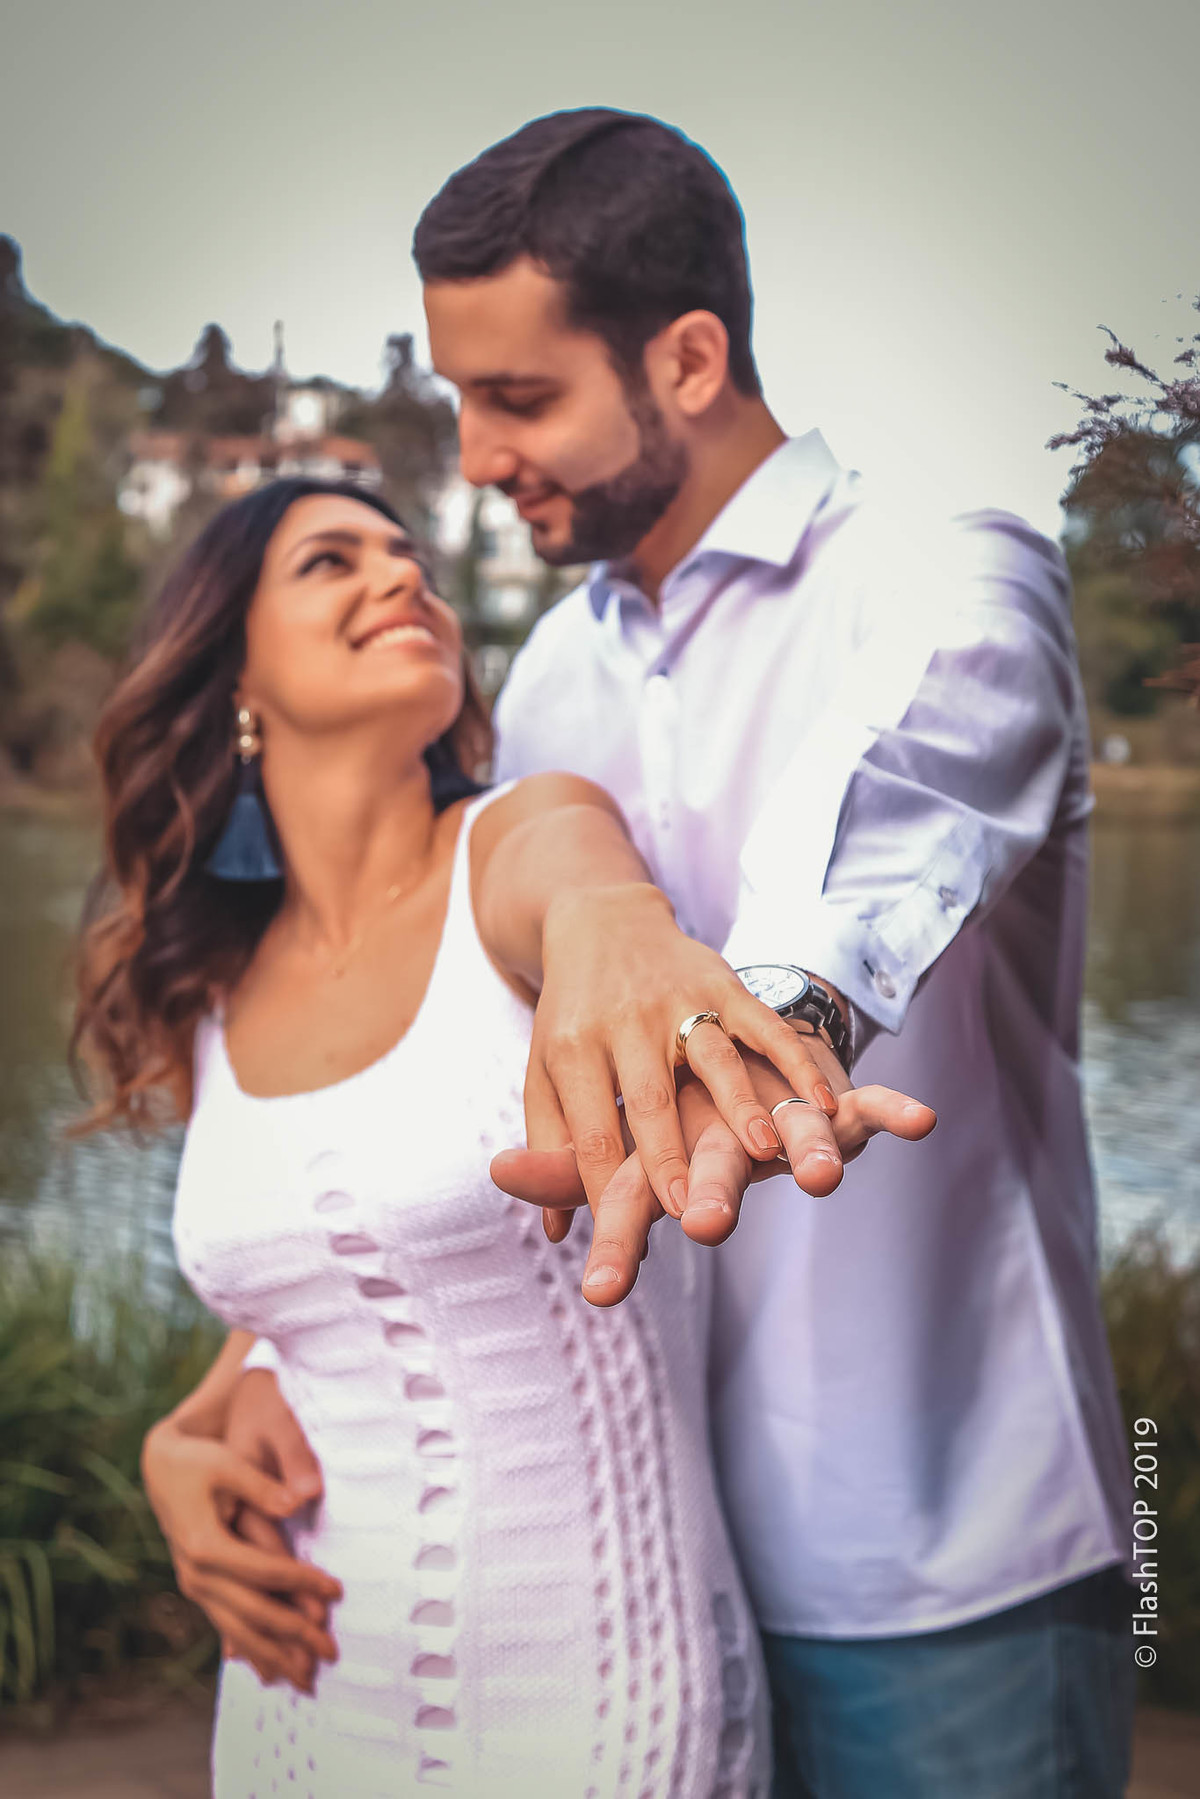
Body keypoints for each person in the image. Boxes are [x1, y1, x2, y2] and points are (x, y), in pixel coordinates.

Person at [145, 110, 1135, 1797]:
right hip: (657, 1582)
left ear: (688, 358)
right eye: (461, 398)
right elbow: (429, 1092)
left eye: (518, 400)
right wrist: (241, 1371)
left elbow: (904, 799)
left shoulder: (939, 564)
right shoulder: (544, 693)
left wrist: (781, 1024)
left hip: (942, 1561)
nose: (470, 454)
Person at [79, 476, 930, 1796]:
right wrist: (181, 1430)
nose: (400, 575)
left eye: (409, 556)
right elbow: (337, 1278)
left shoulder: (518, 838)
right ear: (231, 672)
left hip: (603, 1704)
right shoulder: (213, 995)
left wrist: (631, 944)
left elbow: (590, 897)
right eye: (329, 561)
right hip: (301, 1700)